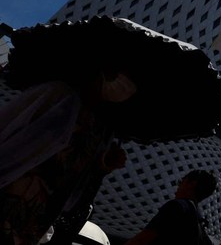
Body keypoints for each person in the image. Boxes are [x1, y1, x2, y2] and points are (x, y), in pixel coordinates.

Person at [0, 69, 135, 245]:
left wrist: (103, 167)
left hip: (36, 212)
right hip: (11, 191)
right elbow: (10, 132)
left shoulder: (102, 128)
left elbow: (78, 180)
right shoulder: (58, 94)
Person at [125, 169, 217, 245]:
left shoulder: (176, 207)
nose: (178, 186)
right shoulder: (199, 222)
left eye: (181, 181)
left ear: (191, 184)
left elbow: (141, 240)